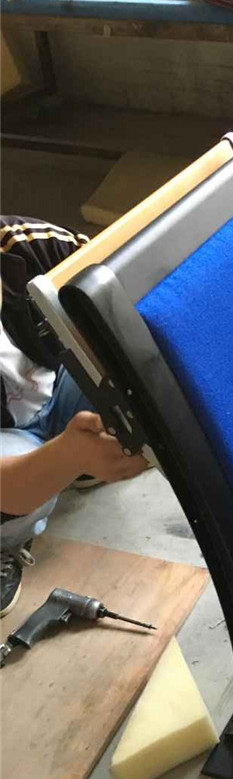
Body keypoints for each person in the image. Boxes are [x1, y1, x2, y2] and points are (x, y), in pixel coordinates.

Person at [1, 216, 148, 616]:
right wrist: (68, 455)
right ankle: (9, 536)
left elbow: (122, 272)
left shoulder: (22, 245)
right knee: (16, 493)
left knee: (139, 356)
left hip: (58, 385)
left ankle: (74, 459)